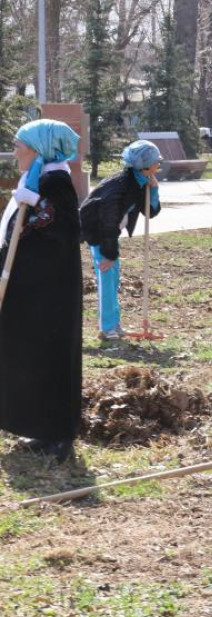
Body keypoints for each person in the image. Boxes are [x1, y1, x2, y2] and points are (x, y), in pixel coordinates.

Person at [0, 119, 83, 463]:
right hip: (32, 292)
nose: (15, 150)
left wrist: (33, 207)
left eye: (20, 144)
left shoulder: (55, 182)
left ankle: (58, 432)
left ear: (38, 148)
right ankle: (38, 426)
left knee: (51, 358)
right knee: (29, 357)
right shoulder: (37, 178)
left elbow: (60, 232)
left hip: (50, 294)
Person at [79, 140, 162, 341]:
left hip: (110, 231)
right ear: (144, 164)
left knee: (113, 277)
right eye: (156, 162)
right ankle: (107, 328)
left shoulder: (140, 180)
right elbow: (108, 221)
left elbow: (149, 212)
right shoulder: (120, 185)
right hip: (98, 230)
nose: (159, 165)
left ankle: (114, 324)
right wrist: (108, 253)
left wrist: (155, 190)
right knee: (107, 277)